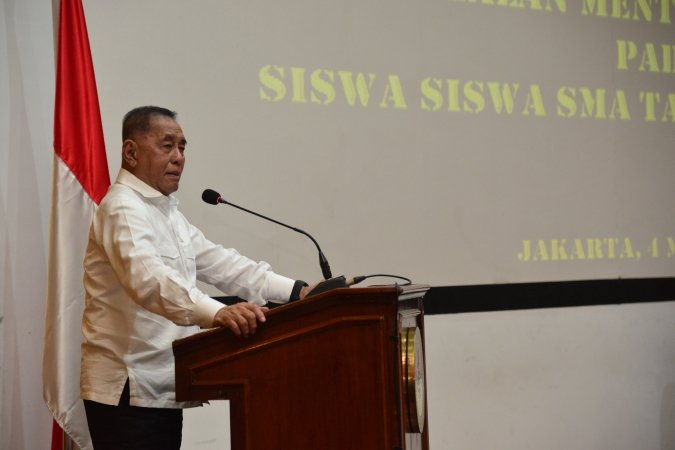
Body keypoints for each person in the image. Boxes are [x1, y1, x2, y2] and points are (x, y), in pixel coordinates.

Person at [80, 106, 311, 449]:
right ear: (131, 152)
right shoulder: (123, 208)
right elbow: (150, 281)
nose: (178, 157)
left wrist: (298, 291)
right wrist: (217, 312)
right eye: (167, 146)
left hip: (162, 388)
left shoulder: (166, 213)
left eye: (182, 147)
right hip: (128, 391)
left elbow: (222, 264)